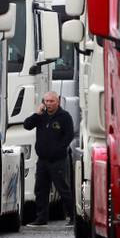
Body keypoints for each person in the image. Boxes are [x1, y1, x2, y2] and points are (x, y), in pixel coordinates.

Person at [23, 91, 75, 226]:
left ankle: (73, 217)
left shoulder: (64, 117)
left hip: (57, 160)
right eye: (46, 101)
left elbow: (69, 136)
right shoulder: (41, 117)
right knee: (40, 189)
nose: (49, 104)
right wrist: (37, 114)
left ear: (57, 101)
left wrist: (58, 149)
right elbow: (27, 125)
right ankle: (41, 218)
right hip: (42, 160)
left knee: (62, 188)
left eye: (51, 101)